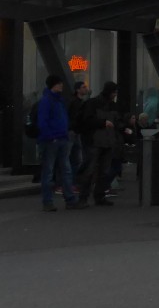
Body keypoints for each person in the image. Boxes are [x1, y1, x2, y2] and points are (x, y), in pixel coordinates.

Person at [36, 75, 84, 212]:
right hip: (54, 139)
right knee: (54, 170)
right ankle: (55, 200)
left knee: (59, 170)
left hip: (59, 138)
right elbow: (43, 121)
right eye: (59, 84)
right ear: (53, 85)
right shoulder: (50, 101)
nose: (61, 86)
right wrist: (53, 136)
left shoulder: (55, 100)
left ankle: (64, 199)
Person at [85, 82, 121, 206]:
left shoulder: (94, 103)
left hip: (102, 141)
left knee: (98, 171)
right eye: (114, 92)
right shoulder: (99, 104)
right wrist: (103, 123)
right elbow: (88, 120)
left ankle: (90, 197)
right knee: (96, 170)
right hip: (101, 140)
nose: (115, 95)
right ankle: (96, 196)